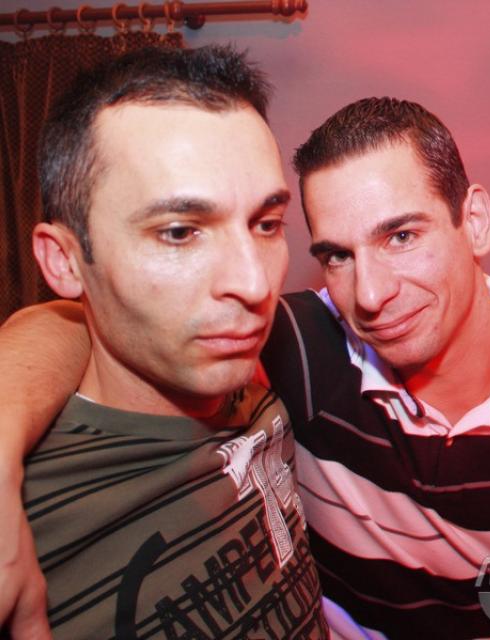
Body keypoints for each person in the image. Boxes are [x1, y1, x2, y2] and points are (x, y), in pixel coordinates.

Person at [1, 97, 490, 639]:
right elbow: (88, 322)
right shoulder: (301, 342)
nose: (370, 294)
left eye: (401, 236)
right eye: (337, 256)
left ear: (473, 222)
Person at [0, 45, 328, 640]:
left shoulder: (263, 382)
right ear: (65, 261)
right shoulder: (23, 514)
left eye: (266, 224)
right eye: (179, 232)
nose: (255, 284)